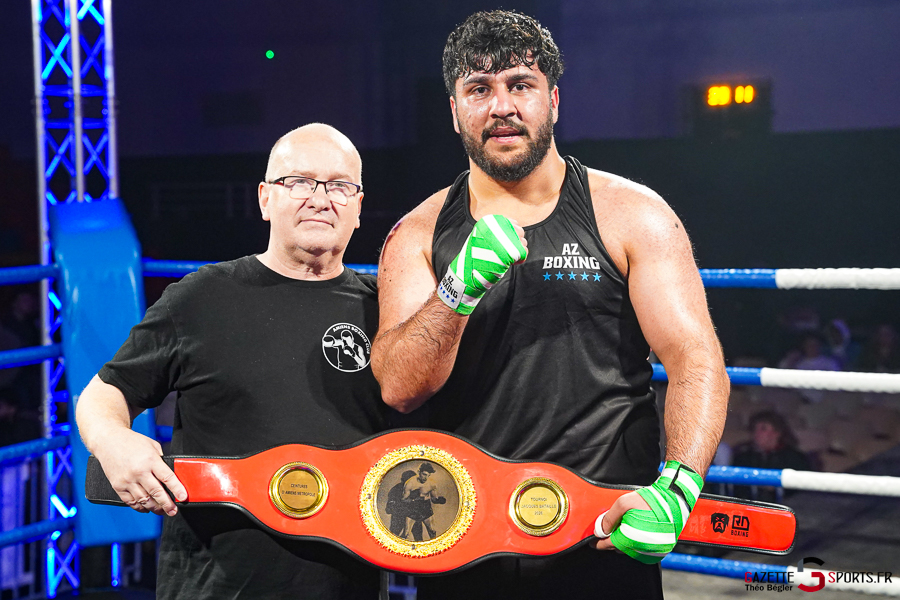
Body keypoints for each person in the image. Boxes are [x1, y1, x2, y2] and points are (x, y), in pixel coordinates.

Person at [371, 10, 729, 599]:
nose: (501, 106)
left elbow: (695, 358)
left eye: (521, 85)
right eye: (479, 89)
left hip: (602, 530)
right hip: (465, 537)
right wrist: (456, 291)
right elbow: (399, 388)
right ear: (455, 111)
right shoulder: (418, 234)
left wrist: (678, 487)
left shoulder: (632, 214)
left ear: (553, 101)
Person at [75, 124, 387, 600]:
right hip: (214, 586)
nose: (321, 199)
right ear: (265, 198)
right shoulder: (201, 298)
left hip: (348, 586)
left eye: (340, 186)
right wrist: (113, 440)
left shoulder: (385, 311)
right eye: (300, 182)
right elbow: (105, 394)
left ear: (358, 207)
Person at [732, 411, 811, 503]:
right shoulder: (743, 457)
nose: (757, 433)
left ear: (777, 433)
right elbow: (736, 488)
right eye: (754, 429)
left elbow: (802, 487)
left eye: (763, 429)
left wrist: (776, 487)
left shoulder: (794, 458)